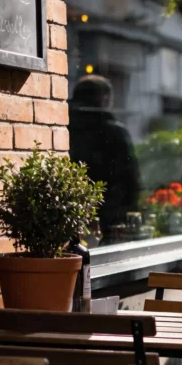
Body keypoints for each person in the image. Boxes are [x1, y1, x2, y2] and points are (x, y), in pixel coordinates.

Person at [68, 75, 142, 243]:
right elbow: (130, 181)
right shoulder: (114, 132)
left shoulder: (62, 126)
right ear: (103, 99)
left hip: (70, 216)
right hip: (110, 219)